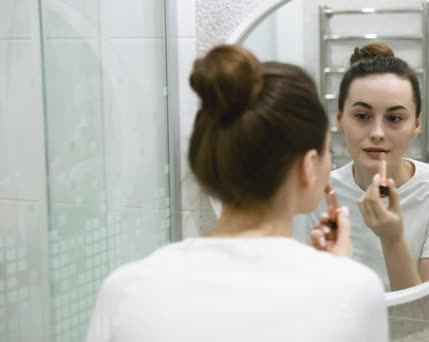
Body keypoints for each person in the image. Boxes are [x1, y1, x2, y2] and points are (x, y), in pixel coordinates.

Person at [86, 45, 388, 342]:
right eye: (326, 151)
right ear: (309, 165)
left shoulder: (125, 290)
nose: (330, 163)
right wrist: (338, 273)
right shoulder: (354, 291)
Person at [295, 42, 429, 292]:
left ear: (416, 125)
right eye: (362, 116)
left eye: (395, 118)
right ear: (340, 120)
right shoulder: (323, 191)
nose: (377, 133)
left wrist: (393, 239)